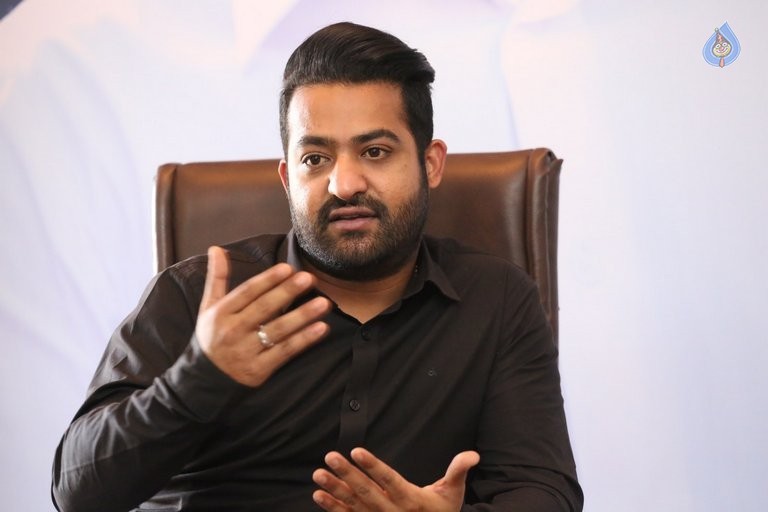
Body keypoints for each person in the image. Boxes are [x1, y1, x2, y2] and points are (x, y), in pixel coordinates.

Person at [51, 22, 583, 512]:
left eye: (375, 152)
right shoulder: (197, 294)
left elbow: (543, 490)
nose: (343, 185)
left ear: (430, 163)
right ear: (288, 178)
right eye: (315, 159)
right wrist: (196, 380)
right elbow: (78, 493)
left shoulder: (496, 298)